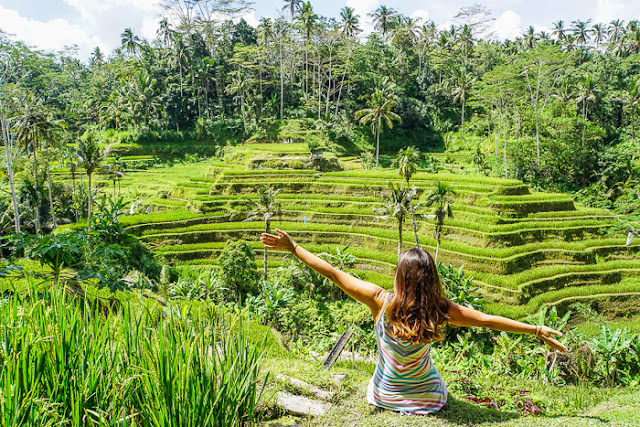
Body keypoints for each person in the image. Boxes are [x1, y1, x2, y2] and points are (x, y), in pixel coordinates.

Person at [261, 229, 568, 415]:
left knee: (386, 378)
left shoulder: (380, 301)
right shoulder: (442, 309)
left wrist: (295, 248)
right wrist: (538, 330)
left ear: (400, 277)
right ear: (432, 278)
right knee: (435, 378)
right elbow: (488, 320)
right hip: (429, 400)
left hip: (383, 396)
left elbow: (334, 273)